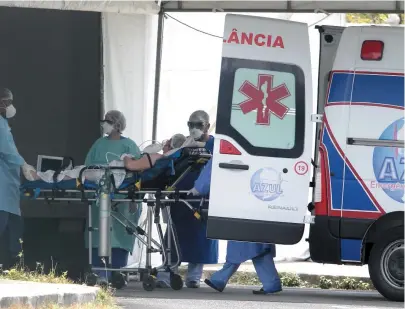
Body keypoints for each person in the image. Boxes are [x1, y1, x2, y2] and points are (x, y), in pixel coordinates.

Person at [189, 157, 283, 295]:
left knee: (240, 244)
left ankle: (220, 279)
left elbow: (212, 170)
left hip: (238, 203)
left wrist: (198, 188)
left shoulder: (227, 149)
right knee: (258, 246)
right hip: (258, 198)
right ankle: (270, 283)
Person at [156, 110, 218, 289]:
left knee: (201, 238)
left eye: (198, 125)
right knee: (174, 235)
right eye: (190, 124)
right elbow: (169, 163)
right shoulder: (184, 143)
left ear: (207, 125)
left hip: (203, 198)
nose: (194, 128)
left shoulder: (216, 145)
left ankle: (194, 276)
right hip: (180, 195)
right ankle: (167, 273)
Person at [85, 110, 146, 286]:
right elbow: (88, 167)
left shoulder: (129, 146)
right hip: (100, 194)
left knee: (120, 235)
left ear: (117, 124)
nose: (104, 123)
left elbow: (137, 173)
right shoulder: (98, 144)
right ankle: (100, 273)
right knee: (99, 233)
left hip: (124, 197)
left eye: (108, 121)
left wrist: (135, 199)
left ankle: (117, 272)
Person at [0, 88, 31, 269]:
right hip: (3, 188)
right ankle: (14, 264)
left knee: (15, 227)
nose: (11, 106)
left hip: (9, 187)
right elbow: (7, 150)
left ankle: (16, 264)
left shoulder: (3, 123)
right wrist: (24, 165)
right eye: (8, 102)